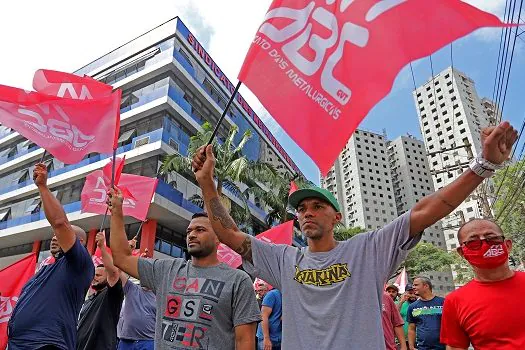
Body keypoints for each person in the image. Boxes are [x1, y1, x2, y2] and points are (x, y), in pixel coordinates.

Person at [190, 121, 517, 349]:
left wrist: (482, 166)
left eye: (317, 206)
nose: (307, 213)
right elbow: (228, 233)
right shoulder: (282, 259)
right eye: (302, 209)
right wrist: (207, 183)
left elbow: (427, 210)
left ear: (337, 217)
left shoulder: (369, 248)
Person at [108, 189, 261, 350]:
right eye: (189, 231)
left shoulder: (238, 280)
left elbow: (244, 341)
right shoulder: (166, 270)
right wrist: (117, 211)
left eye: (200, 230)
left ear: (218, 238)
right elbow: (121, 258)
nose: (192, 235)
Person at [7, 163, 94, 350]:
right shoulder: (44, 271)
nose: (55, 239)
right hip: (17, 344)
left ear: (79, 244)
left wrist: (43, 187)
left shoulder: (80, 265)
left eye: (60, 238)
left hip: (47, 344)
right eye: (53, 237)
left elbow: (60, 223)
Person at [440, 219, 525, 349]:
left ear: (507, 245)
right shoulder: (454, 301)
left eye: (492, 238)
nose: (485, 244)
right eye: (473, 242)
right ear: (462, 252)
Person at [77, 232, 124, 350]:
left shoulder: (111, 295)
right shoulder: (88, 301)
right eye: (94, 274)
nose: (94, 277)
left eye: (98, 275)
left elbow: (113, 273)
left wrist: (102, 247)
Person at [117, 253, 156, 350]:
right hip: (126, 341)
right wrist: (130, 253)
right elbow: (116, 270)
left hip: (149, 342)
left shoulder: (160, 294)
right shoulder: (131, 288)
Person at [407, 277, 445, 350]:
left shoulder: (443, 302)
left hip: (443, 347)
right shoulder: (412, 307)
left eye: (416, 285)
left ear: (426, 286)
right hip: (422, 347)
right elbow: (411, 328)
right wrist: (411, 346)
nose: (413, 287)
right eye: (413, 285)